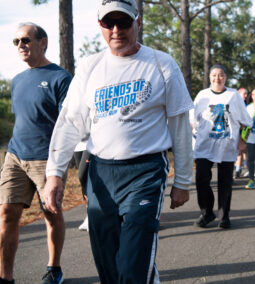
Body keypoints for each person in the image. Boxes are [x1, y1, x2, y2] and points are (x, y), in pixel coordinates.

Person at [43, 1, 194, 282]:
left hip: (145, 172)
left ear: (137, 23)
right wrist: (54, 175)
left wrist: (183, 181)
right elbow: (70, 123)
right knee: (108, 263)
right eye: (108, 23)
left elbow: (180, 126)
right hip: (101, 173)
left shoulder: (161, 64)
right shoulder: (90, 67)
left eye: (123, 22)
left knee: (133, 262)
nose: (116, 30)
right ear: (100, 26)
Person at [0, 23, 71, 284]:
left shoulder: (61, 78)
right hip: (15, 156)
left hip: (45, 158)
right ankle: (5, 276)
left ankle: (54, 269)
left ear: (43, 42)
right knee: (7, 213)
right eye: (16, 41)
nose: (21, 45)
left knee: (51, 214)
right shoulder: (17, 80)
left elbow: (67, 123)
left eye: (26, 40)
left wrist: (59, 163)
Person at [191, 64, 252, 229]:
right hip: (204, 146)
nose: (217, 78)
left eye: (221, 75)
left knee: (225, 182)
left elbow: (247, 122)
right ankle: (207, 212)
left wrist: (242, 141)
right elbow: (192, 120)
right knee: (201, 179)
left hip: (227, 146)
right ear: (209, 77)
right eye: (214, 75)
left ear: (225, 77)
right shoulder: (202, 96)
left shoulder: (233, 96)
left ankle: (224, 216)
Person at [73, 138, 90, 232]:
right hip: (78, 142)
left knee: (83, 175)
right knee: (83, 181)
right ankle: (89, 215)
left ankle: (92, 214)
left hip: (92, 142)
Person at [234, 87, 249, 178]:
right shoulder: (234, 104)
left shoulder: (247, 105)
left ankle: (239, 169)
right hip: (236, 130)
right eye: (244, 94)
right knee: (238, 151)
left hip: (245, 130)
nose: (246, 96)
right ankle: (238, 168)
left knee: (242, 150)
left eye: (247, 94)